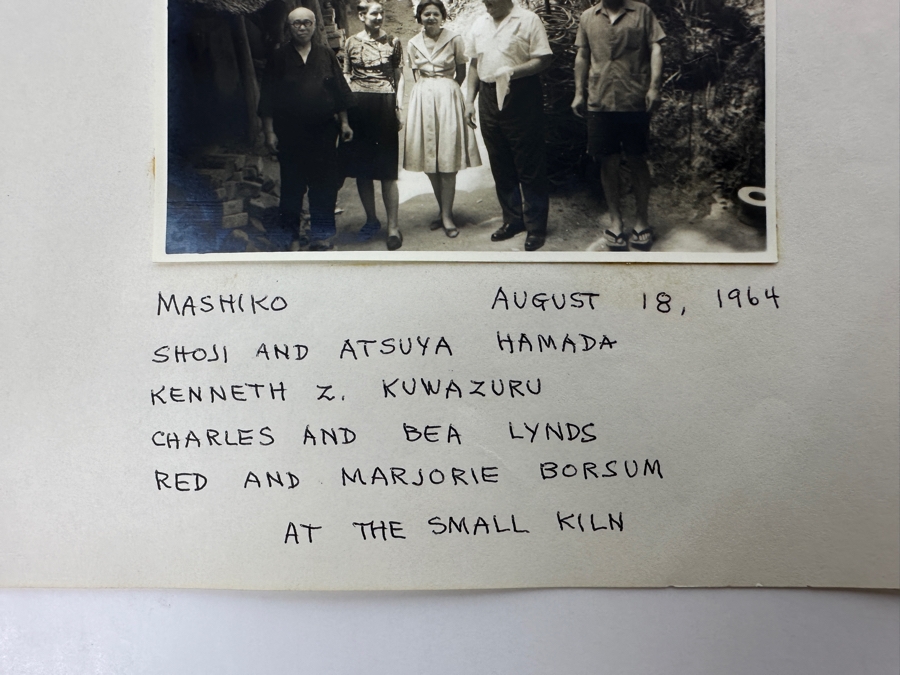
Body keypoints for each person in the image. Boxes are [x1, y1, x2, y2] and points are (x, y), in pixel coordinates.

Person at [571, 0, 664, 251]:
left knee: (636, 158)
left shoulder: (642, 12)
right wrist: (579, 93)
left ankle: (642, 221)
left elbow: (655, 48)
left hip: (635, 98)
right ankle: (615, 222)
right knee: (607, 160)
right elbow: (582, 55)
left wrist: (654, 87)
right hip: (599, 99)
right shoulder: (588, 17)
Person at [258, 7, 353, 251]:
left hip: (323, 131)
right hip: (290, 133)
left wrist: (344, 123)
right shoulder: (279, 58)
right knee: (292, 186)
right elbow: (267, 96)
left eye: (307, 23)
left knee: (324, 185)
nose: (302, 27)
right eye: (296, 24)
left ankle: (321, 236)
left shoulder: (325, 55)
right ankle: (291, 237)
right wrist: (269, 131)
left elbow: (339, 92)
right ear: (289, 28)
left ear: (314, 26)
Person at [464, 0, 552, 252]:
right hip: (489, 96)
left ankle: (536, 227)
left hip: (521, 93)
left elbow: (543, 59)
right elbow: (473, 64)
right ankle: (513, 220)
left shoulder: (528, 20)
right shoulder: (479, 23)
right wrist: (469, 100)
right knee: (500, 160)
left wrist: (513, 72)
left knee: (529, 161)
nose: (485, 3)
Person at [404, 0, 481, 239]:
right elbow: (414, 73)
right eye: (426, 14)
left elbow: (462, 71)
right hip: (422, 96)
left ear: (442, 16)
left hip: (448, 95)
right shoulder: (413, 43)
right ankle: (443, 209)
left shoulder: (454, 38)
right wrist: (428, 90)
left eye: (435, 14)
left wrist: (448, 91)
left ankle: (447, 215)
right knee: (429, 158)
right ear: (419, 18)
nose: (430, 18)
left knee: (447, 156)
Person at [342, 1, 405, 250]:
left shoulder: (394, 41)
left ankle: (393, 227)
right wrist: (347, 112)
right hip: (359, 107)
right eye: (374, 14)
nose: (379, 18)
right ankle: (371, 220)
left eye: (382, 13)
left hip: (385, 104)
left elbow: (398, 75)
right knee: (363, 170)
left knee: (388, 170)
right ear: (361, 16)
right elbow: (347, 75)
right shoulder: (350, 42)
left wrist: (398, 107)